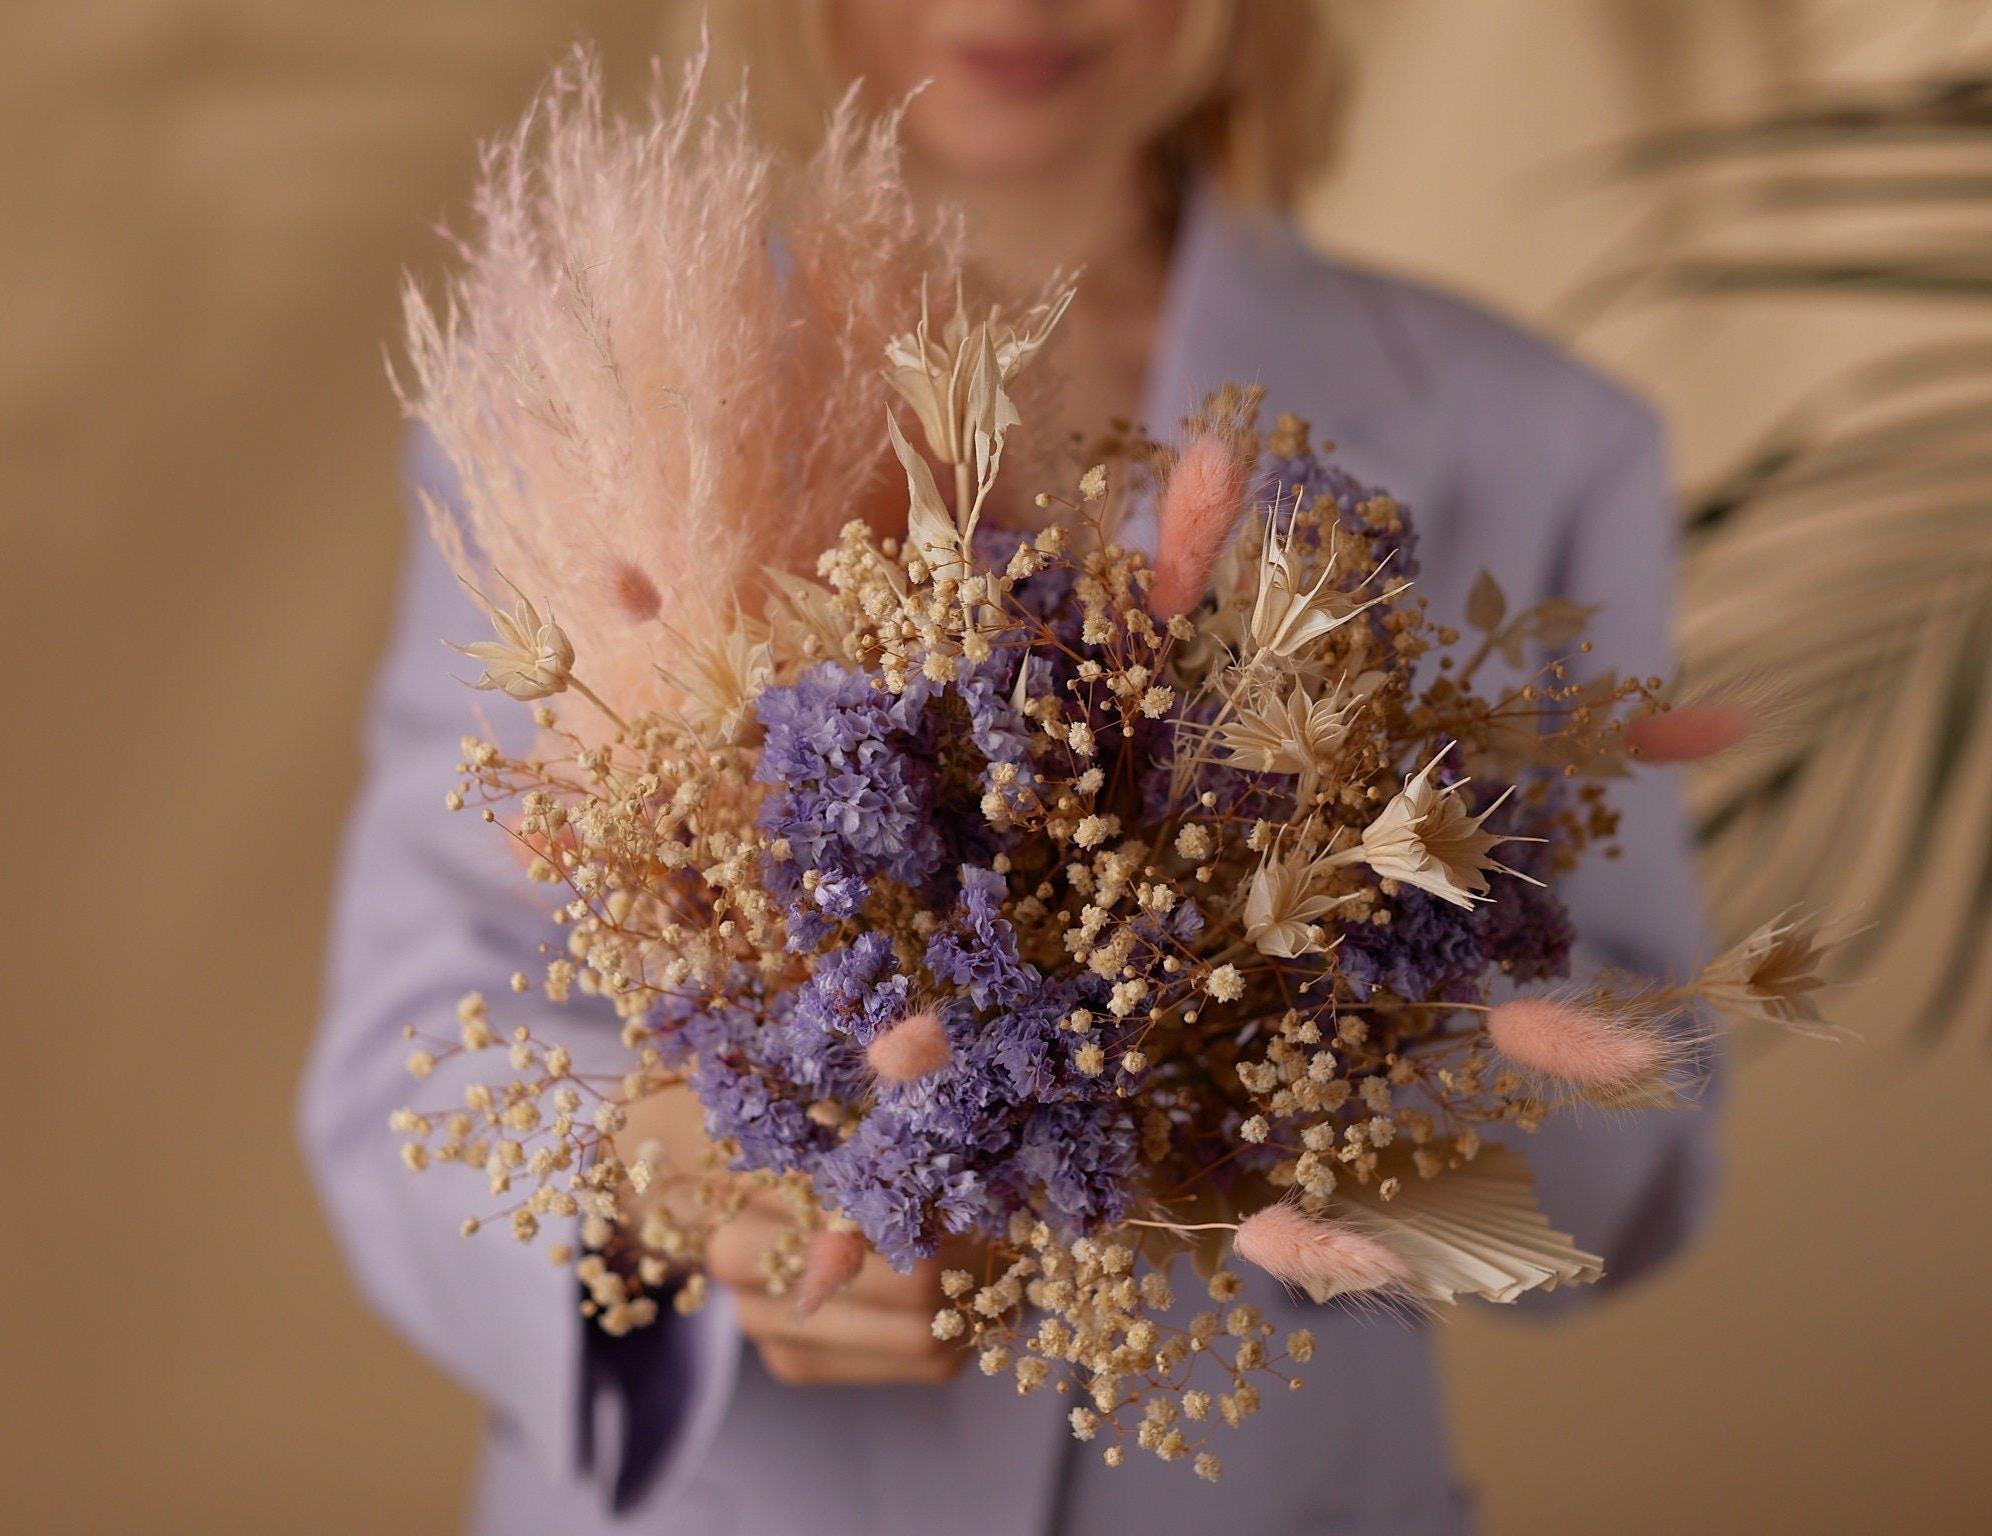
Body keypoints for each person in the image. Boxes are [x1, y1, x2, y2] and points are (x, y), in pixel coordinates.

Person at [300, 3, 1719, 1531]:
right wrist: (688, 1188)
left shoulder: (1537, 439)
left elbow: (1640, 1151)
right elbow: (413, 1049)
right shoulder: (579, 412)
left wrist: (1273, 1059)